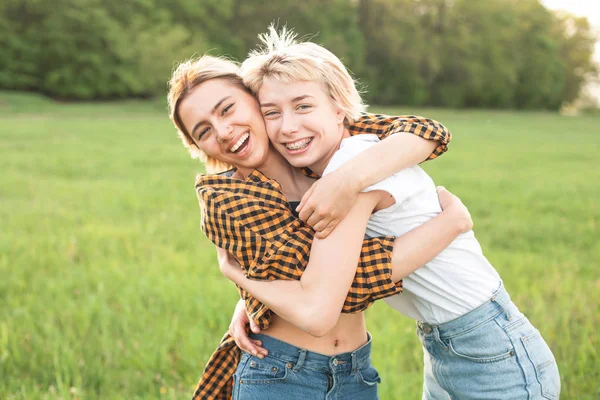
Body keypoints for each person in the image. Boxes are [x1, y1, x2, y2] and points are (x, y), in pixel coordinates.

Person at [223, 26, 561, 400]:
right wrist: (253, 302)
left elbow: (336, 290)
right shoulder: (327, 168)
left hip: (490, 347)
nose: (288, 127)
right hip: (448, 343)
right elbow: (306, 260)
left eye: (303, 106)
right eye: (272, 112)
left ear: (339, 109)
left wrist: (244, 279)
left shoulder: (354, 165)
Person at [167, 51, 463, 399]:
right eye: (203, 130)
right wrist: (447, 226)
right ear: (198, 146)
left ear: (256, 99)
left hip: (356, 372)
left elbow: (423, 131)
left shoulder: (322, 156)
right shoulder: (228, 199)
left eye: (227, 109)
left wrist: (349, 178)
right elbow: (330, 297)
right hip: (280, 373)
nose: (223, 131)